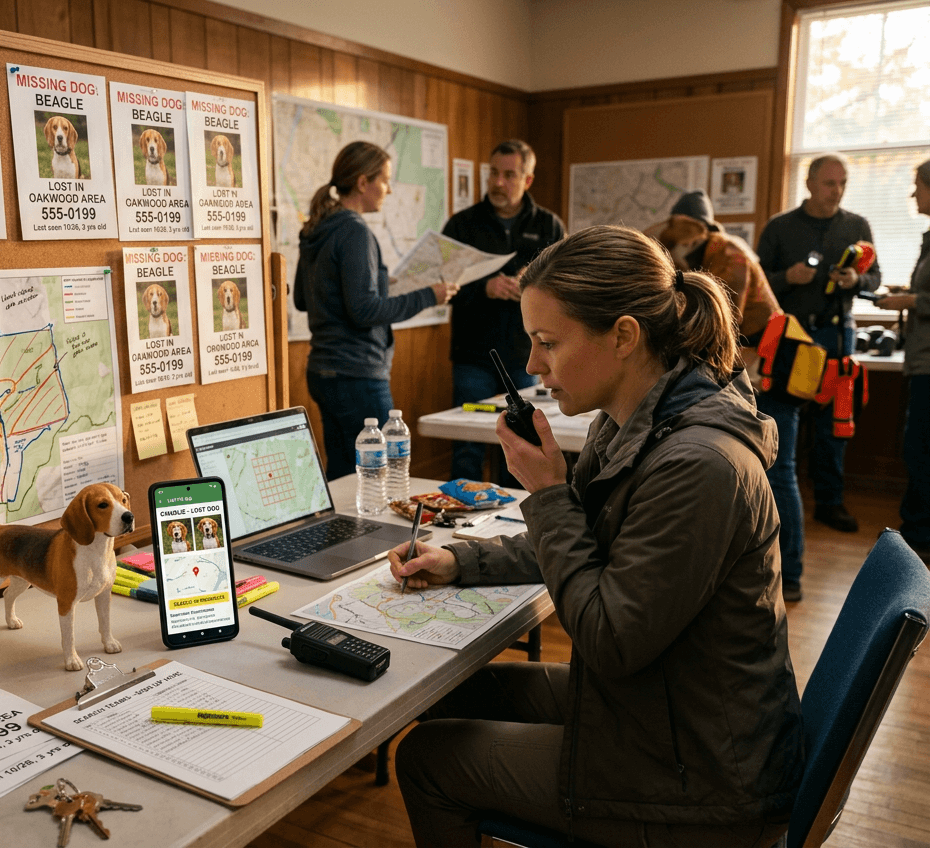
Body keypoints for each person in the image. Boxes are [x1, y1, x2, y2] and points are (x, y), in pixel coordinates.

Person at [388, 226, 803, 848]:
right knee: (460, 689)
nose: (532, 365)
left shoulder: (699, 465)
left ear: (625, 335)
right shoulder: (634, 416)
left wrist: (548, 492)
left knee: (429, 758)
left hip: (704, 781)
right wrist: (457, 558)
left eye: (548, 343)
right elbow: (588, 534)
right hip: (665, 711)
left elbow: (609, 639)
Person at [644, 191, 805, 600]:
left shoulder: (729, 256)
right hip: (749, 366)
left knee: (778, 470)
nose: (674, 244)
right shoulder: (707, 252)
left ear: (697, 231)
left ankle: (794, 574)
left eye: (679, 238)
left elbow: (715, 321)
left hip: (769, 369)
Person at [294, 141, 456, 480]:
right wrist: (430, 295)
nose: (389, 189)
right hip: (358, 373)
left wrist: (378, 282)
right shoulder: (354, 231)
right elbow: (364, 311)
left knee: (342, 472)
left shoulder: (316, 227)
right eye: (384, 180)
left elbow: (303, 299)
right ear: (364, 183)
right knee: (381, 473)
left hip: (323, 371)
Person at [756, 153, 881, 535]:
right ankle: (776, 501)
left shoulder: (858, 226)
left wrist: (855, 282)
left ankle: (829, 502)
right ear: (809, 183)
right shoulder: (780, 227)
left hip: (836, 335)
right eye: (830, 183)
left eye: (843, 183)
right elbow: (757, 286)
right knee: (783, 423)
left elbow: (875, 279)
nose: (837, 191)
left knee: (835, 424)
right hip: (791, 339)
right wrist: (786, 277)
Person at [443, 140, 565, 483]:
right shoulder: (462, 225)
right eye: (493, 173)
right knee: (467, 448)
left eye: (509, 175)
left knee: (521, 445)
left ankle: (514, 527)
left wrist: (533, 283)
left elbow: (564, 289)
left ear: (527, 180)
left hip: (526, 356)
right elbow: (441, 288)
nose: (498, 182)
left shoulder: (549, 226)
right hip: (472, 357)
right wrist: (484, 288)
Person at [876, 159, 930, 560]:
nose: (913, 194)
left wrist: (909, 300)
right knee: (918, 447)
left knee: (920, 447)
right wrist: (904, 290)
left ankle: (918, 538)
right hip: (921, 360)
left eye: (918, 186)